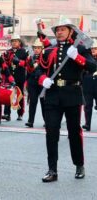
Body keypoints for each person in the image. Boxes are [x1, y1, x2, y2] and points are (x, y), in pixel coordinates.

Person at [37, 17, 96, 182]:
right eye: (57, 30)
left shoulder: (80, 48)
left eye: (63, 29)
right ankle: (52, 170)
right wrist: (43, 80)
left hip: (72, 93)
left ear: (71, 31)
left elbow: (93, 67)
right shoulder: (49, 50)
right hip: (53, 95)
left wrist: (78, 57)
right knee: (51, 133)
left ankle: (79, 165)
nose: (59, 32)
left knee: (74, 133)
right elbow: (38, 70)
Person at [2, 34, 28, 121]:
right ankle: (7, 114)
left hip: (20, 76)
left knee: (19, 95)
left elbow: (28, 64)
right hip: (10, 76)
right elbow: (4, 63)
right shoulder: (7, 52)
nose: (14, 43)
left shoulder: (24, 52)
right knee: (8, 95)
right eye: (12, 41)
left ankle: (20, 113)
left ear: (19, 42)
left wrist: (19, 62)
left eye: (15, 41)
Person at [25, 38, 45, 128]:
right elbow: (28, 71)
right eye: (35, 48)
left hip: (42, 83)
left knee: (44, 103)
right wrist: (26, 83)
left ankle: (47, 121)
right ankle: (30, 121)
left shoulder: (45, 58)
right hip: (32, 82)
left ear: (41, 49)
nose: (36, 49)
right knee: (32, 102)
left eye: (38, 48)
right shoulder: (30, 58)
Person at [82, 39, 97, 131]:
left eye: (95, 49)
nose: (93, 50)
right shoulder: (86, 59)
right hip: (87, 86)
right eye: (92, 49)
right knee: (87, 106)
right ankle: (87, 124)